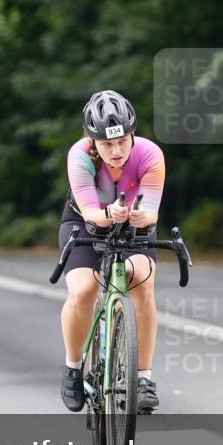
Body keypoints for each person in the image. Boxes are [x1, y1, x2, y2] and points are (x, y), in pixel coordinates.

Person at [58, 90, 165, 414]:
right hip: (85, 222)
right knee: (82, 290)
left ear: (133, 135)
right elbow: (91, 214)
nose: (116, 151)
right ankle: (73, 368)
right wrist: (108, 214)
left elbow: (152, 211)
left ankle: (143, 379)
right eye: (107, 144)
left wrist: (140, 217)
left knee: (142, 284)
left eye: (122, 141)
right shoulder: (79, 156)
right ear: (92, 141)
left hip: (133, 224)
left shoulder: (150, 154)